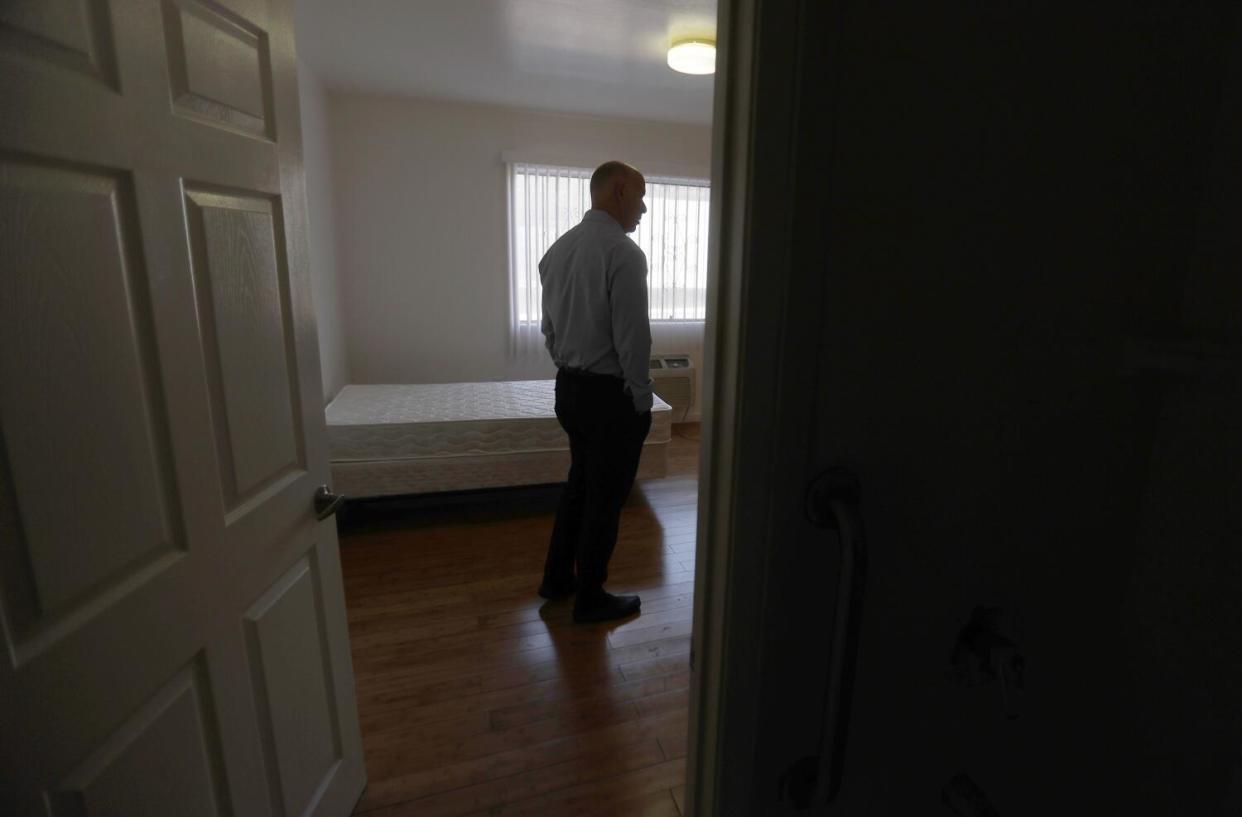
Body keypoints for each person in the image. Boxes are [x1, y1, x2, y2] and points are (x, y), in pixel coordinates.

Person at [538, 160, 653, 623]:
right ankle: (590, 598)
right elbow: (633, 339)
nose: (643, 209)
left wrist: (571, 368)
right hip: (609, 399)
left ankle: (556, 580)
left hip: (569, 390)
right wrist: (641, 399)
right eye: (640, 197)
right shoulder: (622, 253)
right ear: (619, 191)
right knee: (605, 499)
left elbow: (548, 331)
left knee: (579, 487)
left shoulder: (557, 250)